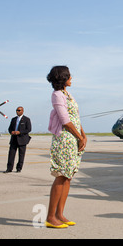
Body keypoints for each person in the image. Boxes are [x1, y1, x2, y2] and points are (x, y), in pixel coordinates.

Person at [46, 66, 87, 229]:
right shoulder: (57, 95)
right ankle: (50, 216)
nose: (72, 78)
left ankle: (60, 214)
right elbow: (64, 120)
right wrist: (79, 136)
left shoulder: (67, 95)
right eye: (69, 76)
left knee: (68, 176)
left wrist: (83, 135)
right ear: (63, 78)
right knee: (62, 175)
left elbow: (76, 118)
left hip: (73, 139)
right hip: (64, 139)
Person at [4, 106, 32, 173]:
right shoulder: (13, 119)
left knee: (21, 155)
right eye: (16, 110)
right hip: (14, 140)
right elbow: (10, 128)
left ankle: (19, 168)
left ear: (22, 111)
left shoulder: (26, 119)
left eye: (19, 110)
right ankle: (9, 168)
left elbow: (29, 129)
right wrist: (11, 132)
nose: (17, 111)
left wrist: (20, 132)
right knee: (11, 155)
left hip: (22, 140)